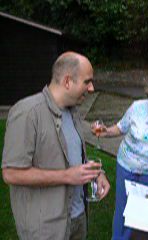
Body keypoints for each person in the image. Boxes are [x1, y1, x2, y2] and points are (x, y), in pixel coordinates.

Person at [1, 51, 110, 240]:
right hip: (47, 229)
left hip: (78, 218)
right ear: (67, 81)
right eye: (87, 82)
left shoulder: (73, 110)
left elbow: (73, 155)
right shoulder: (27, 113)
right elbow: (11, 173)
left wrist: (97, 173)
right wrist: (66, 176)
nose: (91, 88)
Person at [92, 74, 148, 240]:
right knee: (123, 207)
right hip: (126, 164)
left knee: (144, 211)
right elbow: (120, 128)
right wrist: (105, 131)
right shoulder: (136, 108)